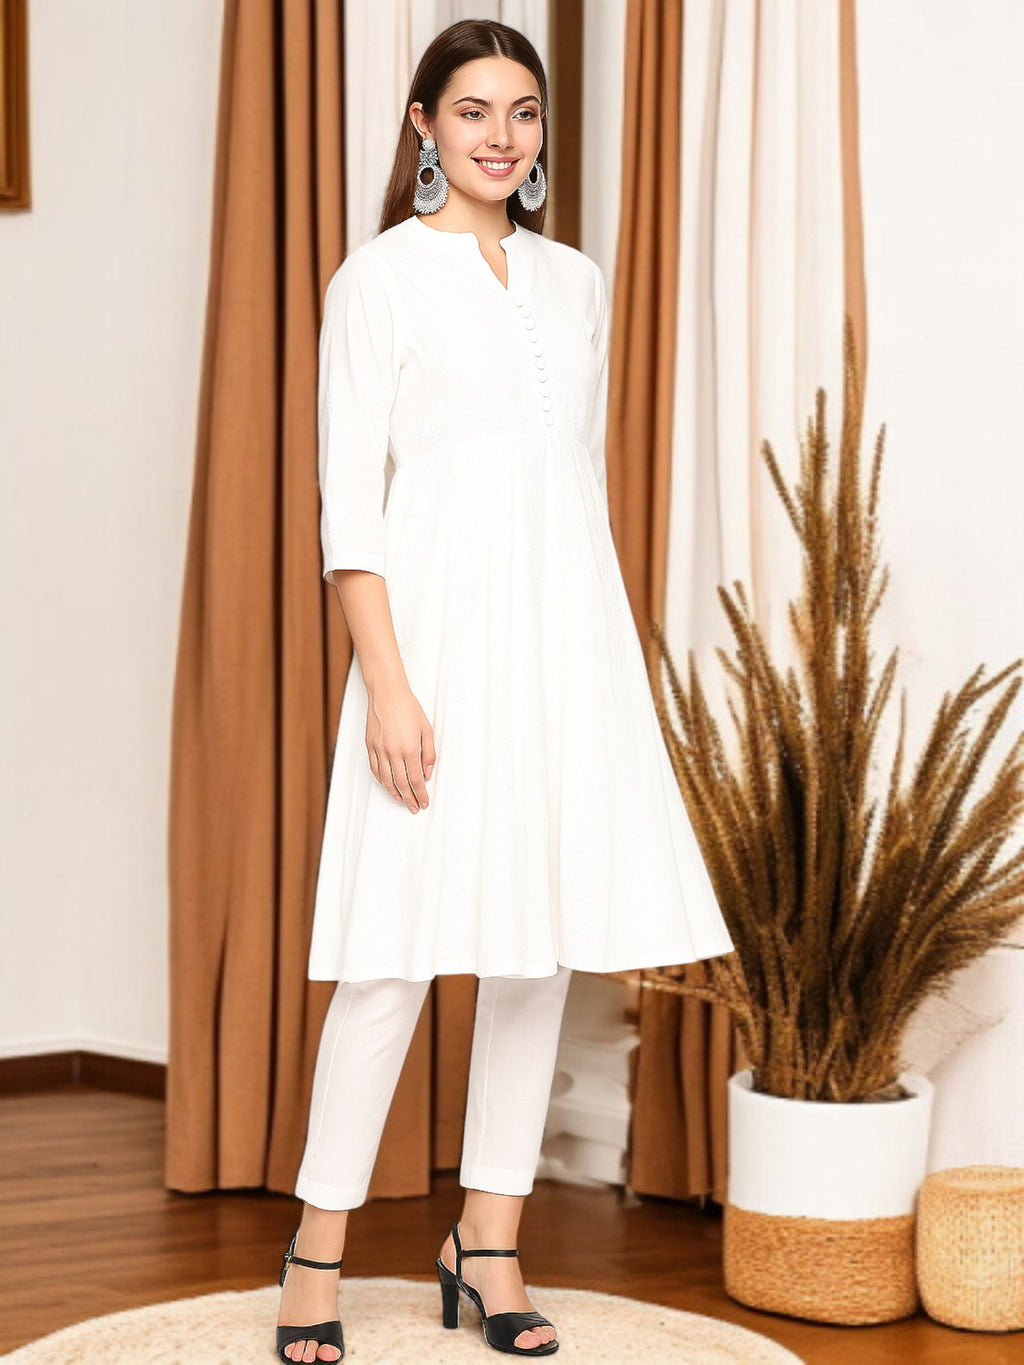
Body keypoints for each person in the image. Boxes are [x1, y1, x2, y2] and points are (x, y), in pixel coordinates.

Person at [275, 18, 735, 1364]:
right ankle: (315, 1254)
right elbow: (349, 512)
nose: (499, 135)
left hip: (563, 645)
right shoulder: (378, 283)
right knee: (387, 964)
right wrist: (390, 687)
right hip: (430, 651)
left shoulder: (577, 284)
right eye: (471, 109)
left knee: (534, 957)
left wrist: (602, 662)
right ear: (423, 126)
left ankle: (490, 1240)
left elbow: (566, 492)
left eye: (522, 112)